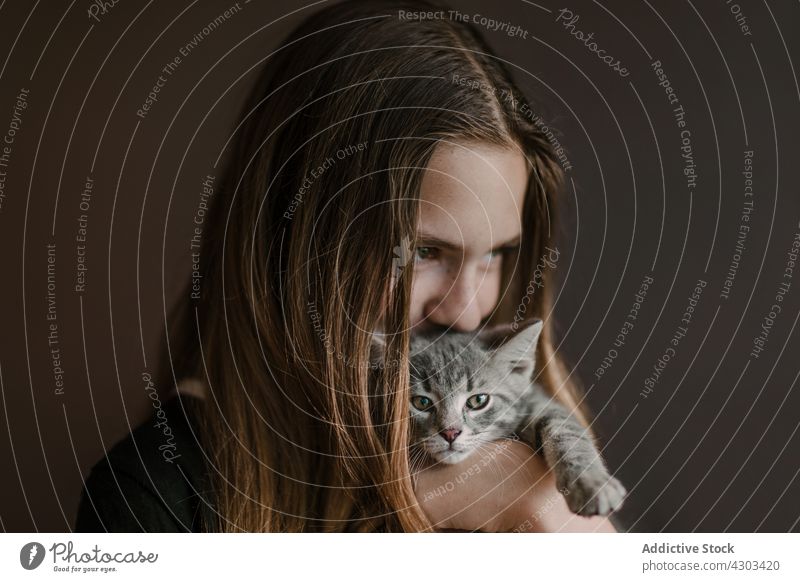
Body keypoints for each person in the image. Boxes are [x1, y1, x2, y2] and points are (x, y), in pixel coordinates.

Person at [75, 0, 620, 533]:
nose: (469, 312)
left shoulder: (529, 442)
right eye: (423, 252)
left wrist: (551, 518)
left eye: (496, 254)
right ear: (296, 242)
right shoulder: (153, 494)